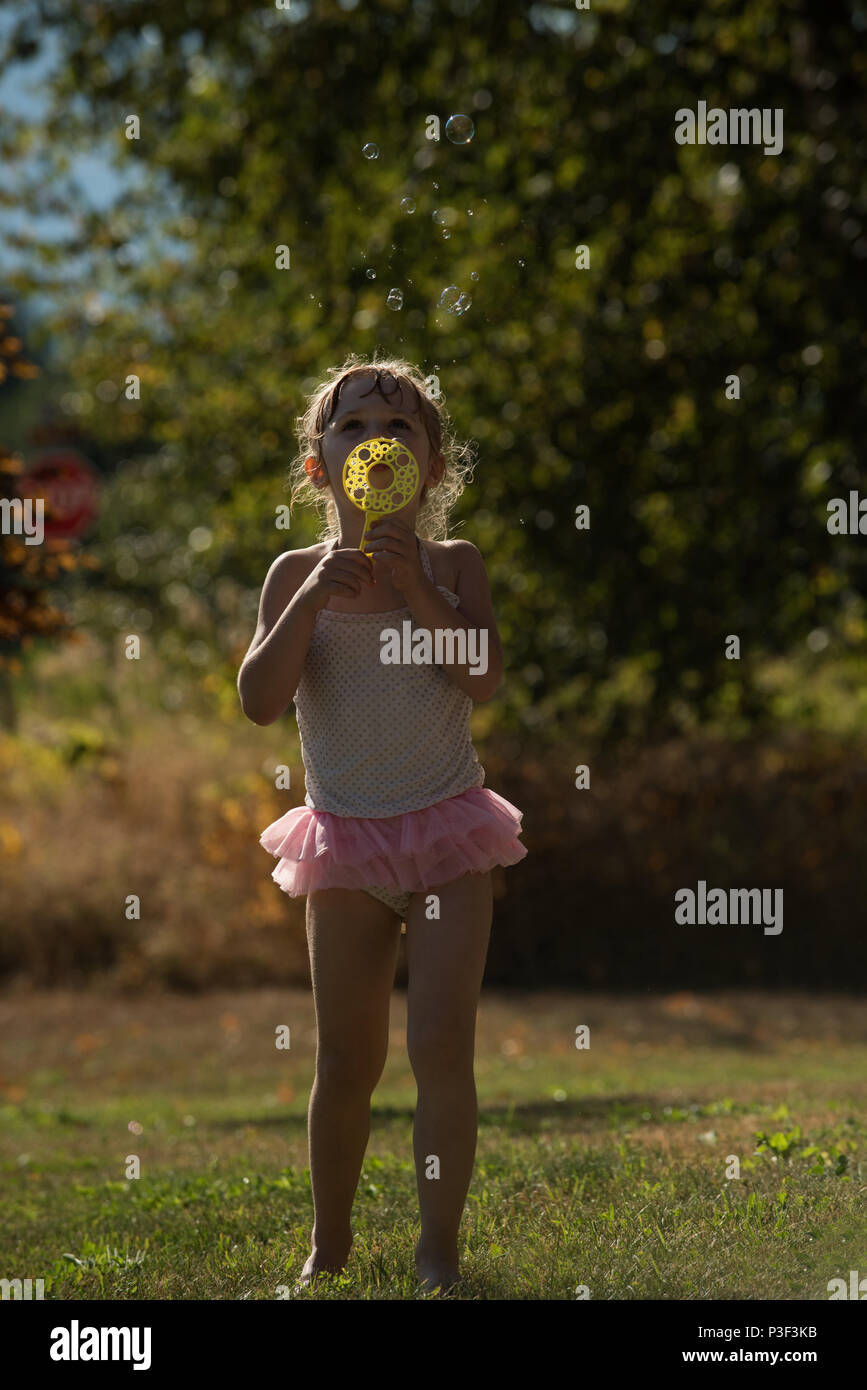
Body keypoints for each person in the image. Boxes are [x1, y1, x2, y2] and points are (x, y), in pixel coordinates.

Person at [238, 354, 527, 1295]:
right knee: (345, 1056)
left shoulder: (453, 566)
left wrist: (415, 591)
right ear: (319, 465)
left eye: (400, 428)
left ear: (434, 466)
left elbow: (478, 676)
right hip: (345, 840)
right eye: (353, 427)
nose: (376, 443)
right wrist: (314, 598)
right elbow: (257, 700)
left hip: (446, 837)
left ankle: (437, 1252)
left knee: (441, 1045)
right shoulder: (293, 574)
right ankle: (328, 1248)